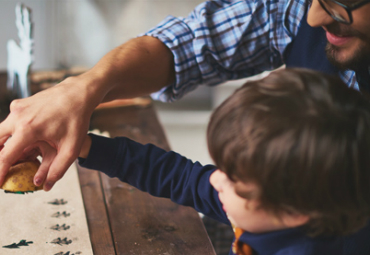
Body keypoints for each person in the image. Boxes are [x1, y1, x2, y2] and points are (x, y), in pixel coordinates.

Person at [0, 0, 369, 190]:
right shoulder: (254, 196)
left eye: (341, 3)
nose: (313, 18)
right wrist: (82, 100)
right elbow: (181, 177)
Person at [77, 68, 370, 255]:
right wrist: (87, 146)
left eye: (233, 177)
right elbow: (180, 177)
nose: (216, 178)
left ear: (295, 210)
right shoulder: (268, 208)